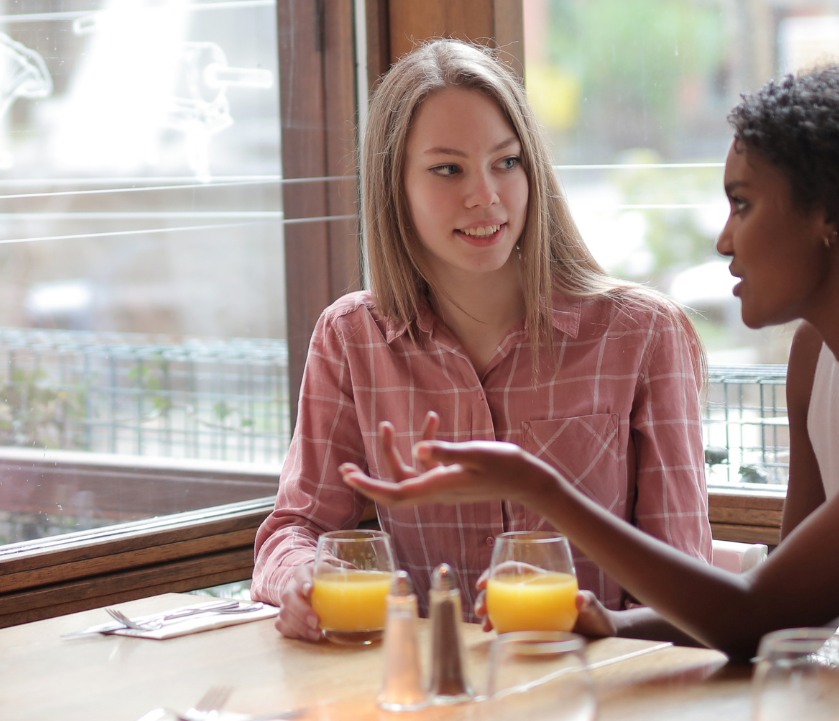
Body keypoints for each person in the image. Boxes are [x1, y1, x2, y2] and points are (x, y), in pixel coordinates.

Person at [344, 60, 839, 674]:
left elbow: (757, 619)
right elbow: (790, 607)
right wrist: (614, 624)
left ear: (830, 215)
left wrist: (534, 484)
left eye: (742, 204)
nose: (723, 240)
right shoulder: (821, 358)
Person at [252, 39, 715, 641]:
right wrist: (306, 580)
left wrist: (602, 625)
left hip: (592, 692)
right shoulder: (351, 338)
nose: (486, 195)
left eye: (506, 162)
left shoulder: (642, 333)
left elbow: (690, 589)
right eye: (448, 169)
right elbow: (296, 526)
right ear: (395, 185)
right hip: (420, 693)